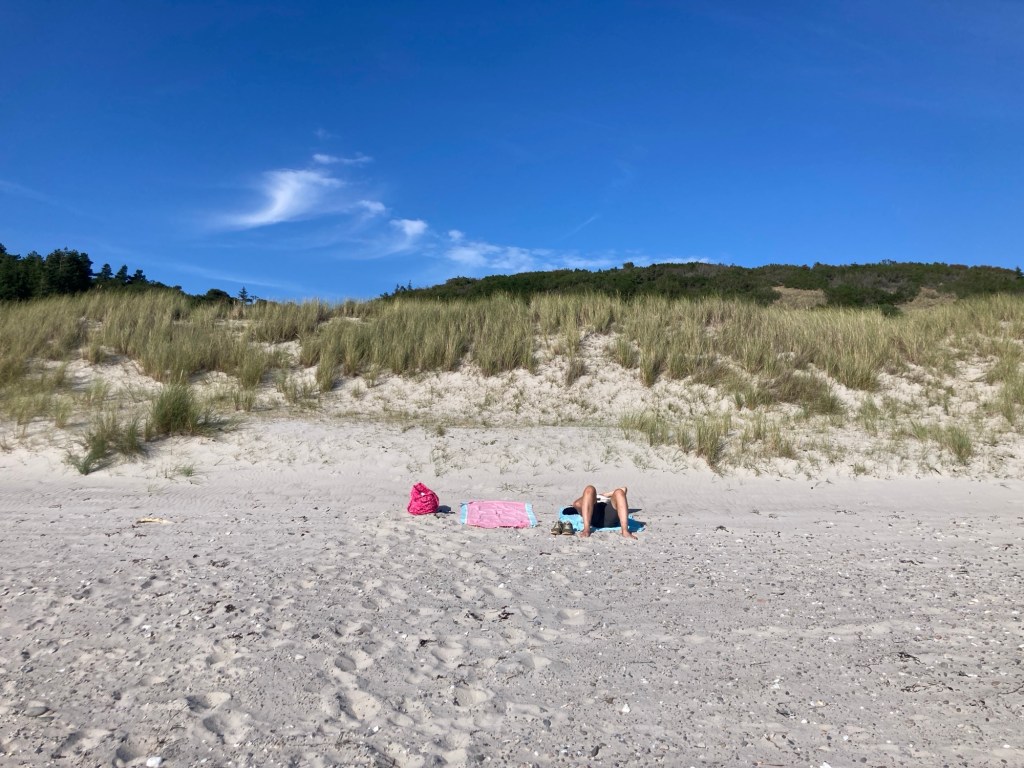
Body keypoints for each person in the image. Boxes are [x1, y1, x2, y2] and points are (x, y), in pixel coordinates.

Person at [572, 485, 637, 540]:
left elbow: (624, 489)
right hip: (593, 514)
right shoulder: (592, 497)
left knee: (619, 492)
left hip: (610, 514)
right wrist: (595, 496)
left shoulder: (608, 498)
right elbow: (576, 504)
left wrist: (605, 495)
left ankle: (625, 531)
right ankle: (586, 529)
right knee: (589, 488)